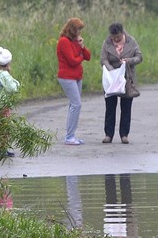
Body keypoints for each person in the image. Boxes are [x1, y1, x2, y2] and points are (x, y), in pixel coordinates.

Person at [100, 22, 143, 144]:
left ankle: (124, 134)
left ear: (122, 33)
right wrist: (111, 70)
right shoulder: (107, 43)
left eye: (118, 37)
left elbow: (139, 57)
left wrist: (129, 61)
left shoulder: (131, 41)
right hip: (111, 79)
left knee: (126, 107)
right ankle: (108, 134)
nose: (116, 39)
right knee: (110, 107)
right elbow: (103, 59)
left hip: (127, 78)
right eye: (113, 37)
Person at [56, 17, 92, 145]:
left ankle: (71, 135)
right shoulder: (63, 42)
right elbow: (72, 60)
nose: (79, 32)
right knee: (76, 104)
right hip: (66, 77)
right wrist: (80, 57)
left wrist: (82, 46)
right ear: (72, 30)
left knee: (74, 105)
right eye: (78, 30)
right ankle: (69, 137)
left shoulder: (76, 41)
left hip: (77, 77)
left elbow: (88, 56)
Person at [0, 46, 20, 159]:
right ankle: (3, 149)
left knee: (1, 124)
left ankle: (1, 147)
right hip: (4, 102)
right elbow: (12, 88)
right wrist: (16, 83)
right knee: (5, 126)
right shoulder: (5, 75)